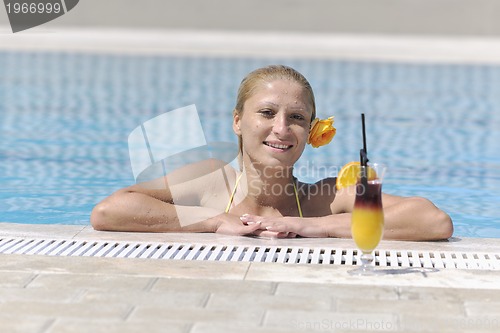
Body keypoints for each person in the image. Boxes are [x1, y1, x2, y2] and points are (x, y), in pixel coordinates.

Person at [91, 65, 453, 240]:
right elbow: (110, 210)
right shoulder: (210, 181)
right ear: (237, 121)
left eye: (296, 117)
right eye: (266, 113)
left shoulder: (325, 197)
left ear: (312, 131)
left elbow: (432, 221)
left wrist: (310, 226)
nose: (281, 129)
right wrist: (215, 220)